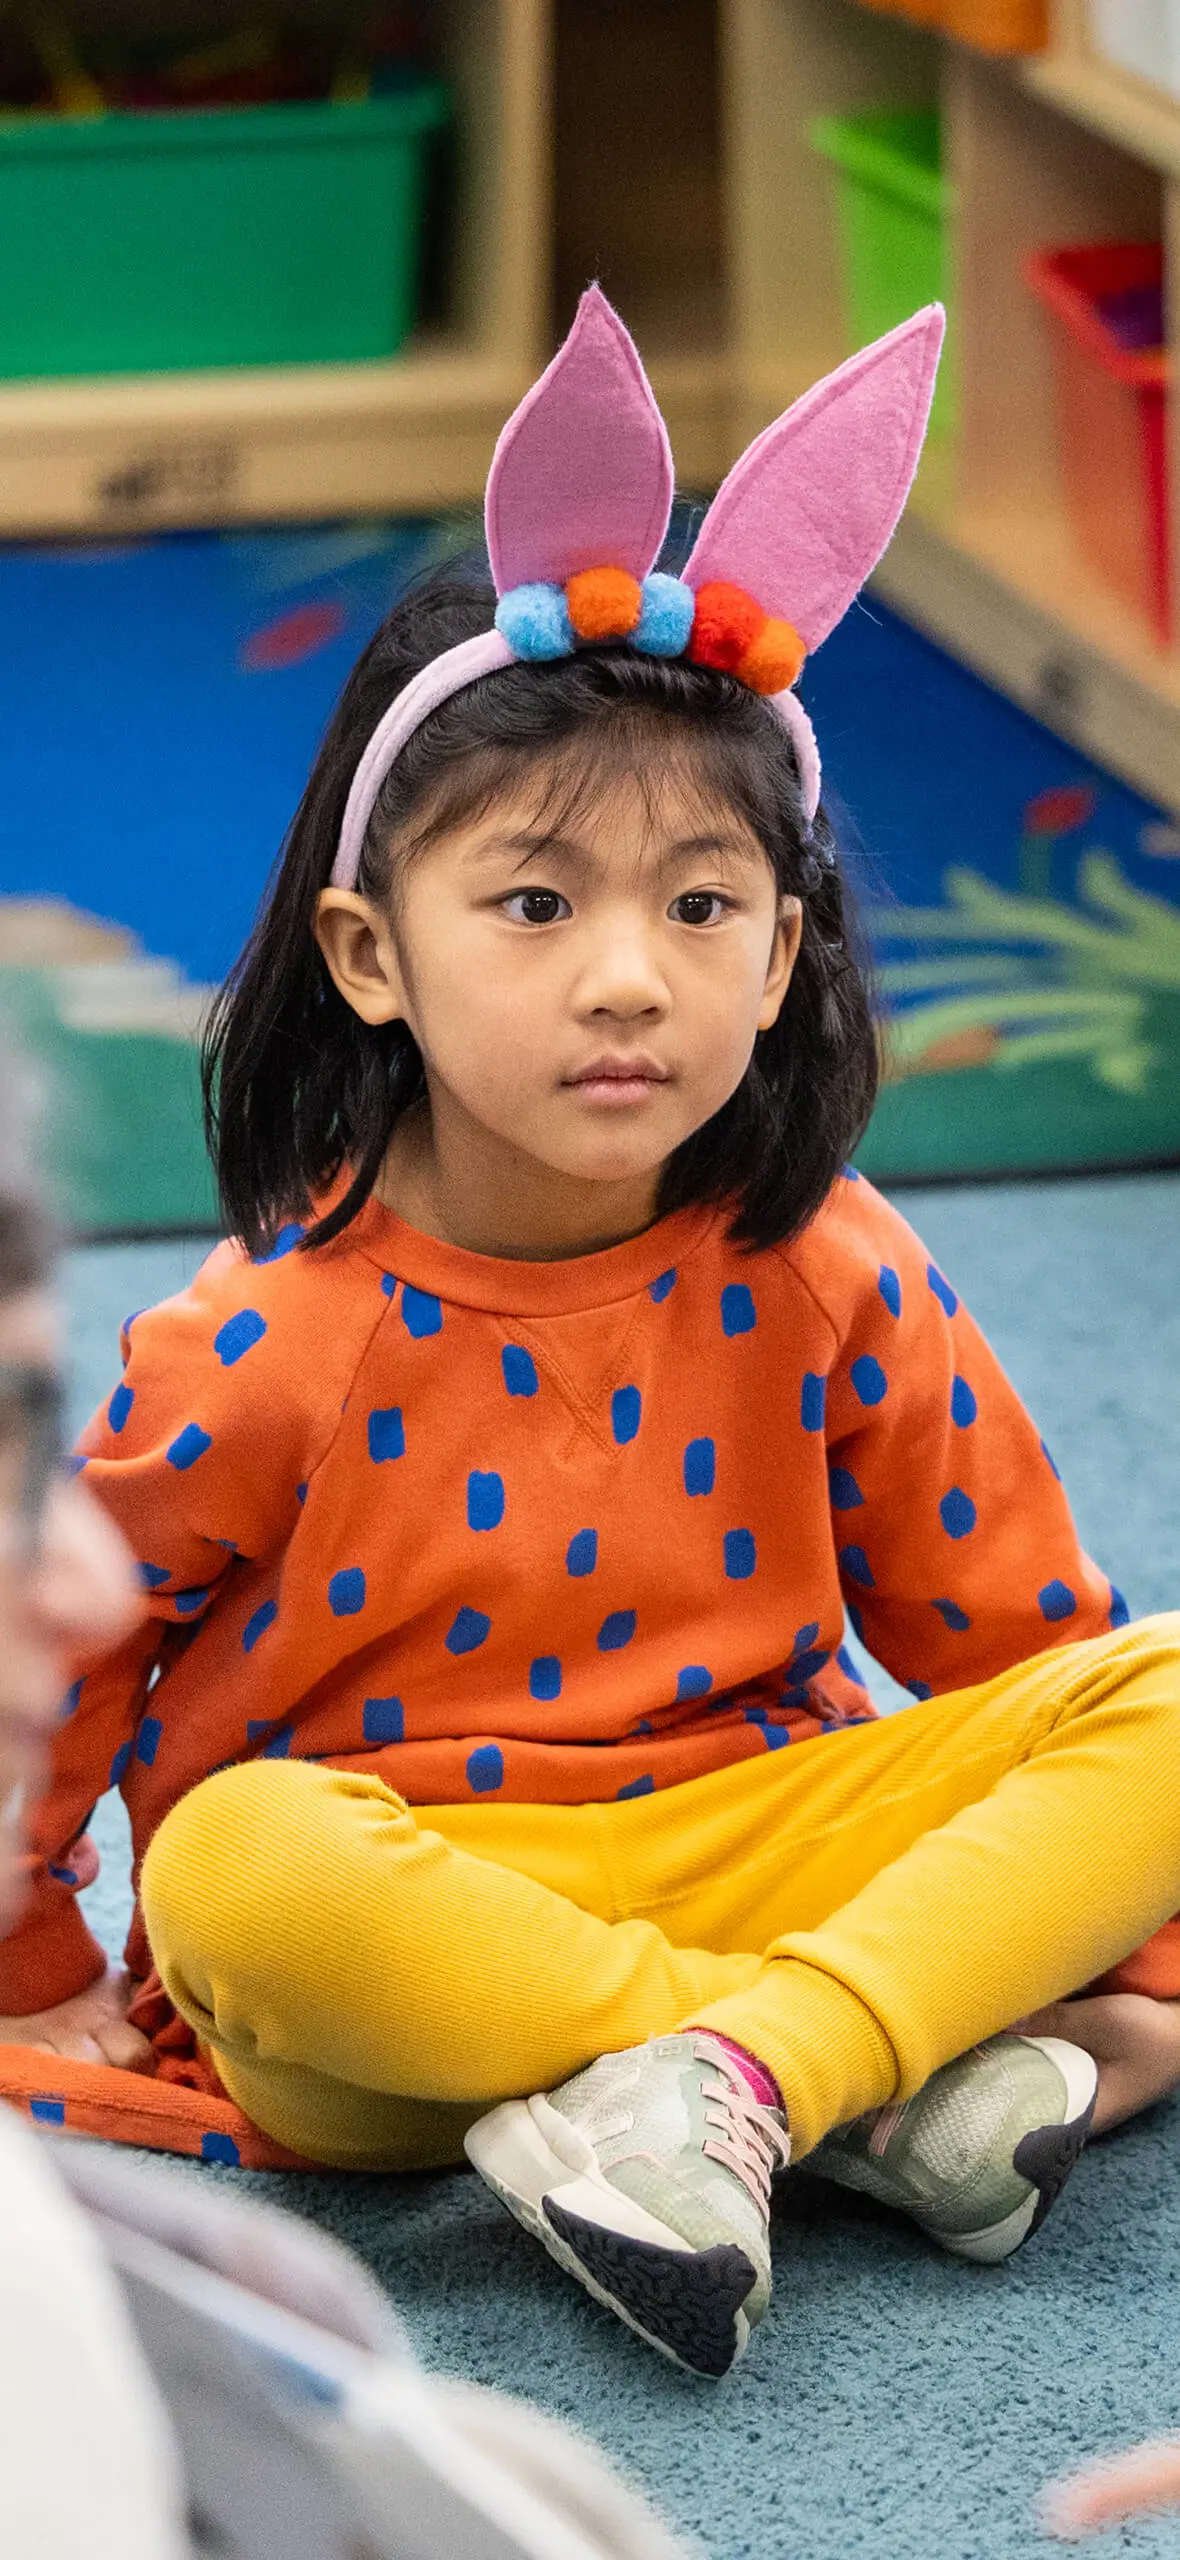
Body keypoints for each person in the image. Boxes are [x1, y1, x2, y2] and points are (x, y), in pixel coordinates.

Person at [2, 290, 1180, 2385]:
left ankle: (742, 2075)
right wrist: (34, 1958)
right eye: (534, 906)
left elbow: (1026, 1651)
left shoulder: (830, 1258)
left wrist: (1094, 1873)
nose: (626, 979)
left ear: (782, 948)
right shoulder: (260, 1336)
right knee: (234, 1868)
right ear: (371, 955)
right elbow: (62, 1648)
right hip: (412, 1913)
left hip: (762, 1818)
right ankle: (847, 2071)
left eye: (699, 907)